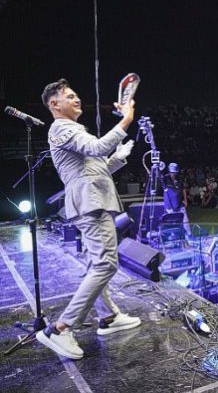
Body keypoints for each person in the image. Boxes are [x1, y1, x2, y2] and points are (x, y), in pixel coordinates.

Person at [37, 79, 141, 360]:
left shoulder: (71, 129)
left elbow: (96, 167)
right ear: (54, 104)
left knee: (97, 264)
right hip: (90, 204)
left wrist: (118, 158)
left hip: (93, 201)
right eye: (70, 96)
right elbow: (96, 148)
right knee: (106, 264)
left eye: (76, 94)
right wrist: (126, 120)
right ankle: (60, 329)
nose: (77, 99)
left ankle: (108, 317)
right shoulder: (61, 127)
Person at [162, 162, 191, 235]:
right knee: (173, 224)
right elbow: (159, 176)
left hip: (180, 204)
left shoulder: (180, 180)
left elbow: (183, 190)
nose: (173, 174)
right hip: (170, 206)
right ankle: (174, 238)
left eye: (174, 173)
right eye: (172, 172)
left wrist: (185, 200)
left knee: (185, 221)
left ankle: (189, 237)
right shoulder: (165, 179)